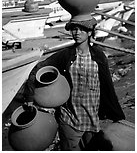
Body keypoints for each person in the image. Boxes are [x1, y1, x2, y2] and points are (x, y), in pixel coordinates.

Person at [24, 17, 125, 150]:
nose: (76, 32)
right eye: (74, 29)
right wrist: (29, 97)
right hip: (69, 120)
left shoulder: (98, 56)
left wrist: (117, 115)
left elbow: (108, 88)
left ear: (89, 32)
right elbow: (37, 70)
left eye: (81, 29)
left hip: (93, 120)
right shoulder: (65, 55)